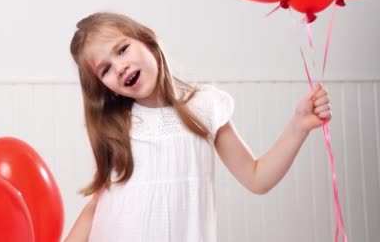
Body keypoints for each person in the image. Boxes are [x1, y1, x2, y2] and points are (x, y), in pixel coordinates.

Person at [64, 12, 332, 242]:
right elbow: (100, 203)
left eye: (122, 49)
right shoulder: (116, 127)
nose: (120, 67)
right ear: (103, 87)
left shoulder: (205, 106)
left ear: (146, 41)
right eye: (106, 70)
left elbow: (256, 177)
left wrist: (298, 126)